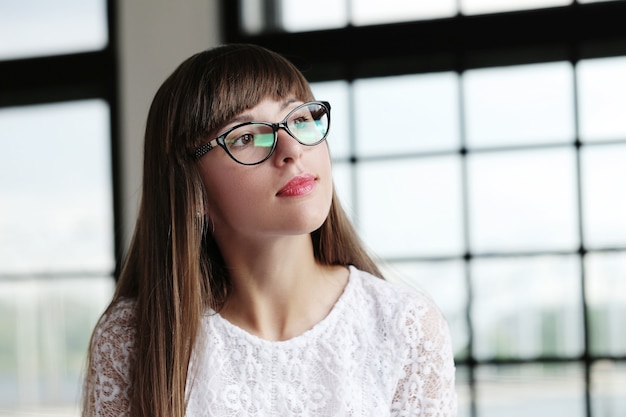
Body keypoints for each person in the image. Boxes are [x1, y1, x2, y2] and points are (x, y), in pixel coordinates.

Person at [82, 43, 458, 417]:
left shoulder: (405, 329)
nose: (291, 148)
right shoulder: (133, 339)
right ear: (190, 191)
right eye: (247, 136)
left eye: (299, 118)